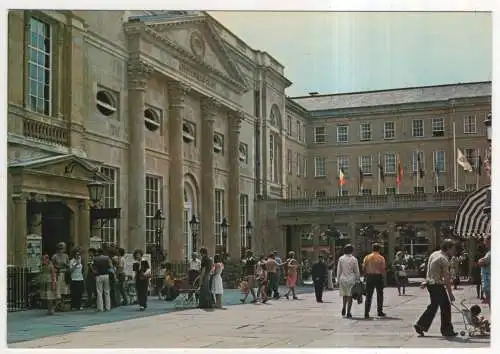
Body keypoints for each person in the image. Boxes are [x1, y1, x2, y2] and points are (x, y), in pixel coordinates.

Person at [414, 239, 457, 337]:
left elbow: (429, 269)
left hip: (430, 283)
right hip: (437, 285)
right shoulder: (444, 259)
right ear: (448, 248)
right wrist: (450, 294)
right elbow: (447, 279)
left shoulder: (434, 254)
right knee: (445, 306)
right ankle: (446, 330)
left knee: (434, 306)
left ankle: (421, 325)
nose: (454, 251)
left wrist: (427, 281)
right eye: (453, 249)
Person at [362, 243, 387, 318]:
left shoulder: (367, 257)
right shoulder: (381, 258)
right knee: (380, 295)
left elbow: (364, 268)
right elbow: (383, 270)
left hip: (369, 276)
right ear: (379, 249)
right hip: (378, 277)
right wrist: (385, 280)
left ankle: (366, 312)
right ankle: (379, 311)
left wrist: (365, 276)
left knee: (368, 295)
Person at [336, 244, 360, 318]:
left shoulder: (341, 258)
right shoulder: (354, 259)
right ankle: (348, 312)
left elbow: (339, 270)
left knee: (344, 295)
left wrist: (337, 280)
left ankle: (343, 307)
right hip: (351, 279)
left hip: (343, 279)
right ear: (352, 251)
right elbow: (357, 271)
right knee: (350, 296)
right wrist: (358, 279)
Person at [51, 242, 70, 310]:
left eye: (63, 248)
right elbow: (52, 265)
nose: (61, 249)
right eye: (60, 248)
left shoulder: (66, 256)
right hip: (58, 274)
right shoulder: (54, 256)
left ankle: (62, 304)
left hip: (64, 274)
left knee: (64, 290)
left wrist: (65, 264)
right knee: (57, 290)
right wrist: (57, 267)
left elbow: (69, 266)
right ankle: (57, 305)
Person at [478, 236, 490, 307]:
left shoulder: (491, 252)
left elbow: (481, 262)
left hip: (489, 283)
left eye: (485, 241)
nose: (484, 243)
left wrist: (480, 260)